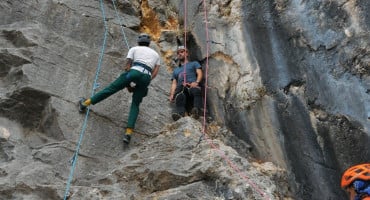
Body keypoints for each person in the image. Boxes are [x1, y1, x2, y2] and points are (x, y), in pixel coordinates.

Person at [78, 33, 160, 145]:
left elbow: (127, 66)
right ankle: (128, 133)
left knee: (111, 89)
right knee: (135, 104)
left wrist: (127, 85)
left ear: (138, 42)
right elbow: (156, 70)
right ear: (149, 43)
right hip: (146, 77)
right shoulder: (155, 54)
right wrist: (148, 79)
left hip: (133, 72)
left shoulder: (134, 49)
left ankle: (85, 104)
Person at [169, 45, 203, 121]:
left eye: (182, 52)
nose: (179, 54)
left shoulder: (194, 63)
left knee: (196, 90)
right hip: (181, 87)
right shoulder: (176, 70)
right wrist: (172, 94)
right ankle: (181, 114)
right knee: (179, 96)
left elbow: (199, 73)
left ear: (187, 53)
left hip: (191, 85)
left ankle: (196, 111)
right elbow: (174, 83)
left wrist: (196, 82)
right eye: (178, 53)